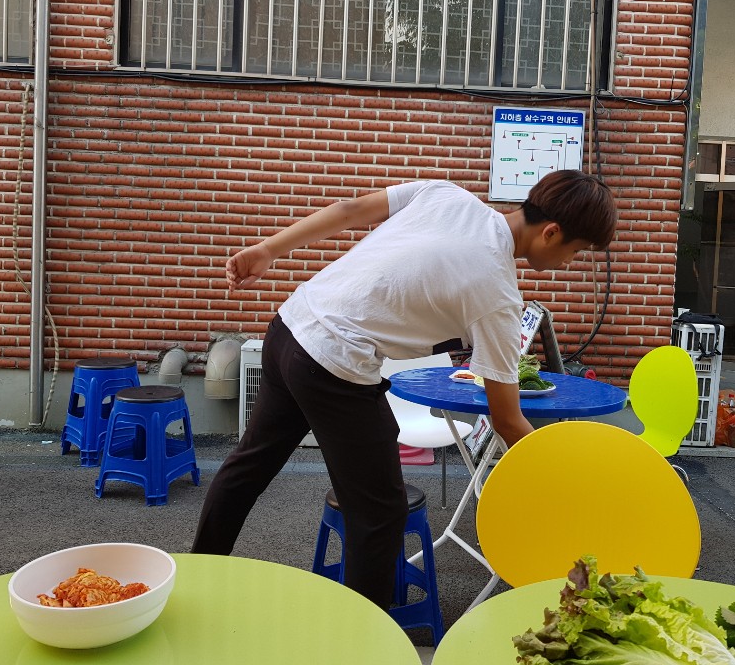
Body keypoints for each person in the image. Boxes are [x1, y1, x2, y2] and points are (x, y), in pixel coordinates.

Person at [191, 170, 617, 609]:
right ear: (551, 232)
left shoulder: (446, 195)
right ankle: (366, 636)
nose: (570, 262)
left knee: (250, 464)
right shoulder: (498, 297)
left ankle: (195, 579)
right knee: (380, 516)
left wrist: (267, 249)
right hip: (335, 362)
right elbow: (507, 420)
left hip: (291, 326)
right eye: (576, 251)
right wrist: (560, 477)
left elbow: (350, 210)